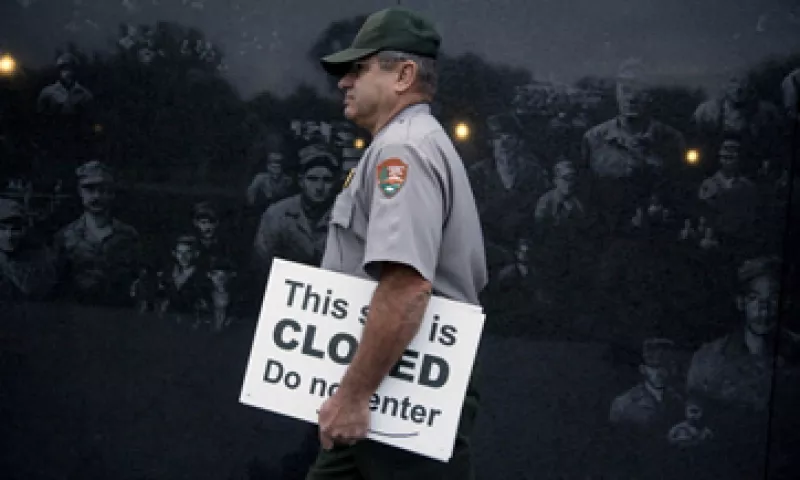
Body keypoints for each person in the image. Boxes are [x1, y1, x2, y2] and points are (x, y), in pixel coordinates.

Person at [306, 6, 488, 479]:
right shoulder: (410, 142)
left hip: (401, 391)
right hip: (395, 388)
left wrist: (354, 395)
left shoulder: (402, 150)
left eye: (359, 68)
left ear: (404, 75)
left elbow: (406, 286)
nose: (344, 82)